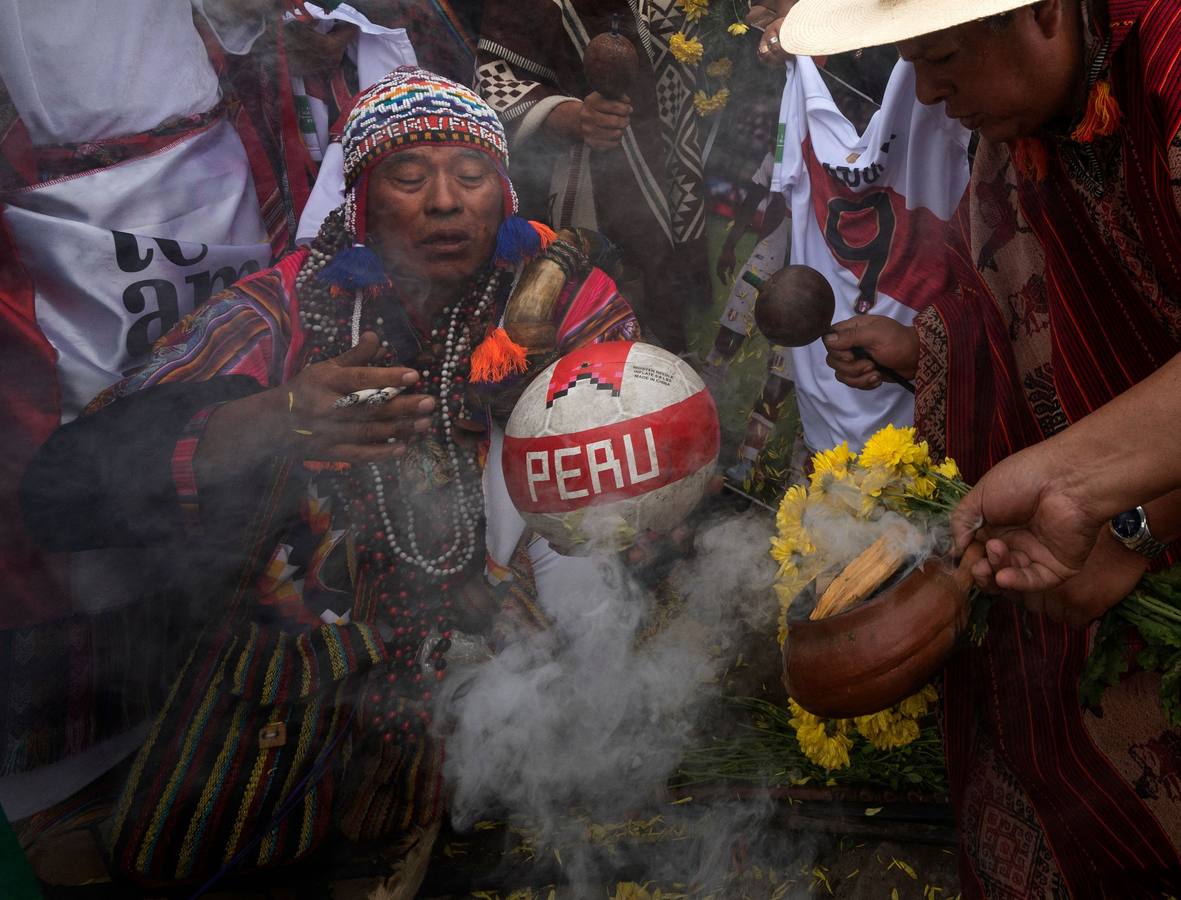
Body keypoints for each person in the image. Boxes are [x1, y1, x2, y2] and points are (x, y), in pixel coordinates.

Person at [18, 68, 639, 889]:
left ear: (504, 189)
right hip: (314, 650)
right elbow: (63, 491)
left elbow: (639, 444)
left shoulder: (556, 291)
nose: (446, 202)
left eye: (472, 174)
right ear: (359, 201)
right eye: (410, 177)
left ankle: (494, 767)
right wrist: (276, 419)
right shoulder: (279, 307)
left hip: (500, 615)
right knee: (181, 849)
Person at [784, 0, 1181, 892]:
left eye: (944, 54)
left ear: (1041, 10)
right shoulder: (1018, 126)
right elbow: (1003, 305)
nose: (925, 91)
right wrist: (924, 353)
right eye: (907, 61)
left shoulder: (1168, 65)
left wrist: (1128, 517)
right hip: (1082, 567)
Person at [0, 0, 303, 839]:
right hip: (71, 219)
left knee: (227, 417)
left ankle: (237, 692)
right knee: (94, 453)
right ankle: (84, 768)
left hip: (207, 168)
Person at [474, 0, 710, 353]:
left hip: (670, 160)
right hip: (572, 184)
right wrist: (571, 116)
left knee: (659, 319)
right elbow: (492, 83)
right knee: (573, 326)